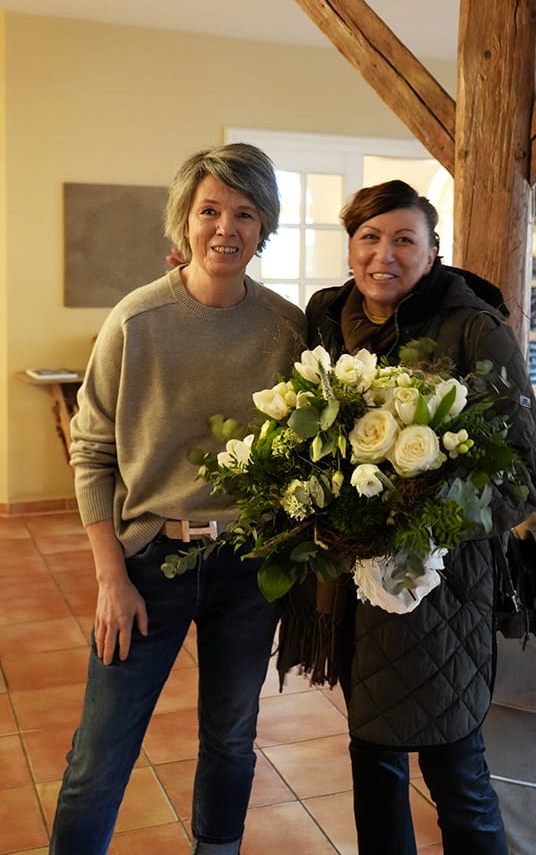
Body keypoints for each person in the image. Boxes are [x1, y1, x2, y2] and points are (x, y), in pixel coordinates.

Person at [50, 143, 306, 855]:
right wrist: (110, 578)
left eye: (245, 213)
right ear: (184, 221)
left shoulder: (288, 330)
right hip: (146, 566)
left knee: (231, 740)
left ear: (264, 226)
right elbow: (90, 452)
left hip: (249, 568)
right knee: (100, 756)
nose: (225, 228)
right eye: (210, 210)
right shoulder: (135, 322)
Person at [287, 179, 536, 855]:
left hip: (442, 587)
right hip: (351, 584)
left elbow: (519, 477)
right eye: (369, 237)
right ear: (350, 247)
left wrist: (411, 520)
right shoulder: (326, 317)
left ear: (432, 253)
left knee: (455, 763)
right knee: (372, 754)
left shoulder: (475, 328)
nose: (385, 254)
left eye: (404, 239)